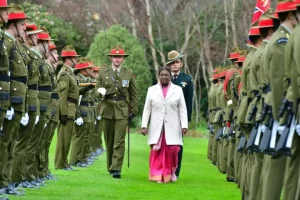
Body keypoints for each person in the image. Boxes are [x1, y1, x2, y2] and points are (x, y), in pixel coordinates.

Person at [95, 45, 138, 179]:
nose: (117, 59)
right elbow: (96, 91)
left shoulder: (128, 73)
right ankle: (110, 166)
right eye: (115, 57)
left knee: (119, 141)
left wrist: (133, 110)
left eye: (120, 57)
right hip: (107, 109)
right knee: (109, 140)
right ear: (111, 58)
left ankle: (116, 168)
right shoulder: (103, 73)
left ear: (123, 59)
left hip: (122, 110)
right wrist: (100, 93)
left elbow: (134, 94)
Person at [141, 65, 188, 183]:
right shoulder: (152, 90)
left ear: (170, 76)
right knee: (158, 151)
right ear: (158, 76)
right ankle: (160, 176)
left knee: (174, 149)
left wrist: (184, 125)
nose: (164, 77)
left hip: (173, 126)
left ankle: (172, 171)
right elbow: (147, 109)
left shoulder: (178, 90)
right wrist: (144, 125)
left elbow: (182, 109)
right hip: (157, 127)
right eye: (161, 75)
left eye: (166, 75)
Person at [166, 50, 193, 178]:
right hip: (166, 116)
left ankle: (176, 171)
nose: (175, 65)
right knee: (165, 144)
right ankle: (165, 169)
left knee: (178, 145)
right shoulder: (165, 78)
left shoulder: (187, 80)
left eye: (177, 62)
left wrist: (186, 121)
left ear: (181, 64)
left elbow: (189, 101)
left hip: (179, 117)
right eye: (172, 63)